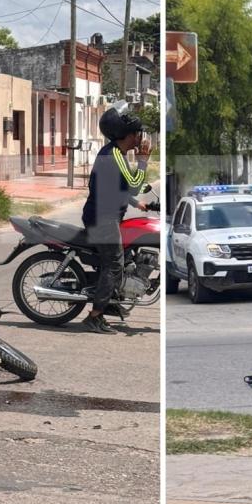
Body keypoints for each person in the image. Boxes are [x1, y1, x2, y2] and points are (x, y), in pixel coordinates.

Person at [80, 103, 151, 334]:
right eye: (137, 133)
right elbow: (131, 185)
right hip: (103, 219)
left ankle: (109, 302)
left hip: (103, 215)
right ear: (127, 135)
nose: (139, 138)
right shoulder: (115, 155)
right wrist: (143, 161)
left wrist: (135, 203)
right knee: (114, 264)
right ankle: (94, 316)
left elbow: (116, 189)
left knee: (121, 258)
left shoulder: (113, 153)